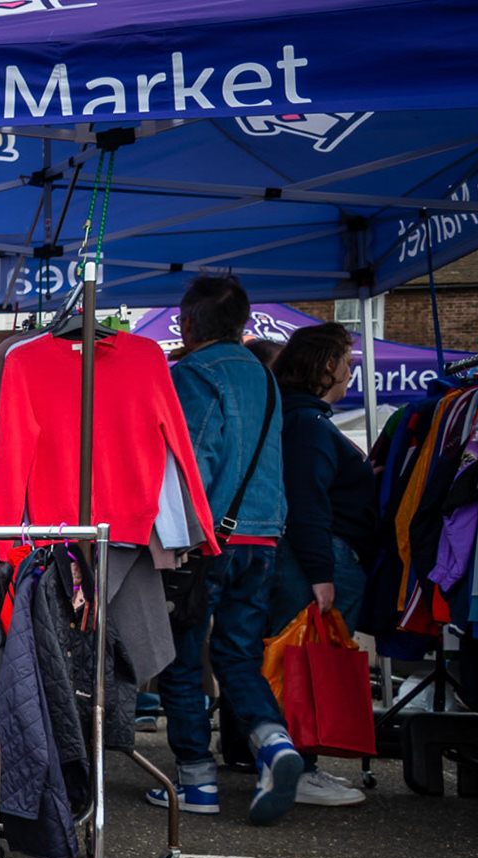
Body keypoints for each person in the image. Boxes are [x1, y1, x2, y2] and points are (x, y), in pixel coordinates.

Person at [151, 275, 304, 825]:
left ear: (187, 324)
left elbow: (196, 460)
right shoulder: (264, 375)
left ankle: (196, 779)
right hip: (264, 535)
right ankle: (273, 741)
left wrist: (177, 533)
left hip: (210, 538)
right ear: (242, 325)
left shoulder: (191, 375)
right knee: (238, 654)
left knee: (183, 656)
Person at [268, 322, 374, 806]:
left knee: (297, 659)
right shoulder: (308, 425)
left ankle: (292, 761)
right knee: (306, 663)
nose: (351, 372)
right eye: (347, 363)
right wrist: (321, 573)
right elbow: (307, 503)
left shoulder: (300, 419)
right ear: (326, 365)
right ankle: (300, 766)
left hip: (313, 554)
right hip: (319, 556)